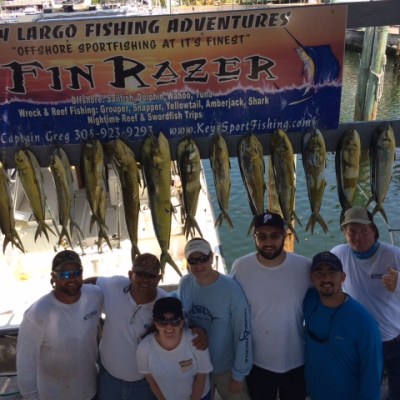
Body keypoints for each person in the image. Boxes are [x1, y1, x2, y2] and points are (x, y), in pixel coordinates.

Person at [231, 211, 311, 400]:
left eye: (275, 236)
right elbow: (228, 306)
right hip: (257, 364)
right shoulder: (241, 267)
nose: (268, 242)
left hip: (297, 361)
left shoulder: (304, 266)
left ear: (285, 235)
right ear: (254, 237)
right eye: (262, 236)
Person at [331, 206, 400, 400]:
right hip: (360, 342)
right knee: (364, 391)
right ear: (344, 233)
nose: (358, 237)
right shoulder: (338, 254)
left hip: (394, 340)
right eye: (352, 231)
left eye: (364, 231)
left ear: (374, 231)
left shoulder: (393, 255)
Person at [16, 250, 103, 400]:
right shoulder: (37, 314)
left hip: (90, 390)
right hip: (53, 395)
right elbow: (25, 362)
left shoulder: (95, 295)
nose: (72, 278)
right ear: (53, 277)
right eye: (65, 274)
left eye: (77, 272)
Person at [84, 253, 167, 400]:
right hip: (108, 379)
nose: (145, 279)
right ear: (130, 274)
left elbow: (185, 324)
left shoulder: (166, 303)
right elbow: (92, 282)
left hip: (147, 384)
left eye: (151, 275)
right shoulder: (114, 285)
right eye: (140, 274)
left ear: (159, 279)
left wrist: (201, 331)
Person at [177, 238, 252, 400]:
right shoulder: (185, 284)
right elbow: (182, 319)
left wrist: (238, 375)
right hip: (197, 368)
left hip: (226, 370)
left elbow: (243, 333)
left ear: (211, 258)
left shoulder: (231, 290)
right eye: (193, 260)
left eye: (203, 259)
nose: (199, 265)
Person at [304, 251, 383, 400]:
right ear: (311, 278)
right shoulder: (308, 301)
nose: (326, 278)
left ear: (343, 277)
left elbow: (372, 371)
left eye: (332, 272)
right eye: (319, 273)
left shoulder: (363, 321)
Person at [136, 297, 213, 400]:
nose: (169, 326)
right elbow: (152, 382)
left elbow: (201, 376)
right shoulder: (144, 348)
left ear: (182, 321)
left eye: (175, 321)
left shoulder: (196, 341)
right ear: (155, 323)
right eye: (162, 321)